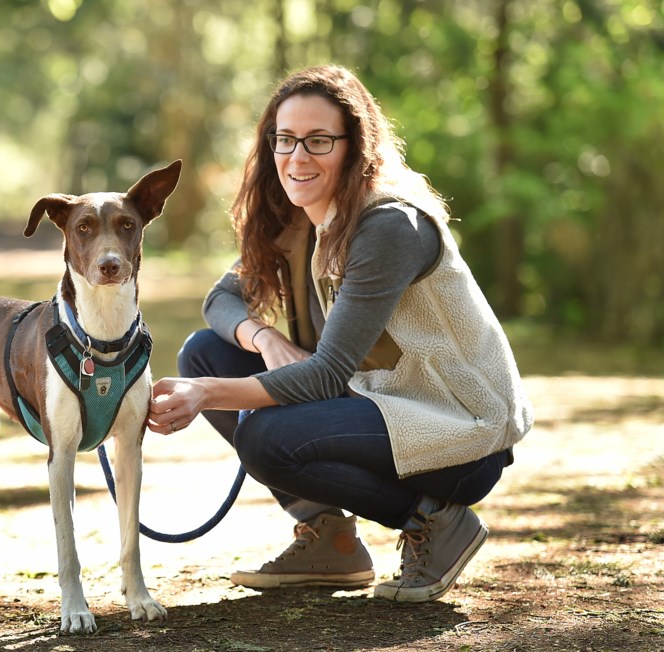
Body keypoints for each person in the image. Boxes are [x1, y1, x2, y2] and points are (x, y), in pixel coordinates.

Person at [147, 64, 533, 603]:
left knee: (263, 437)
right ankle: (331, 540)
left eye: (319, 140)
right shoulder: (304, 215)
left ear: (356, 146)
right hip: (378, 404)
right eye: (284, 140)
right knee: (206, 352)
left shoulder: (388, 225)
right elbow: (222, 299)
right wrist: (265, 339)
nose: (297, 157)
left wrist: (206, 395)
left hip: (458, 430)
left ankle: (434, 521)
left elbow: (326, 375)